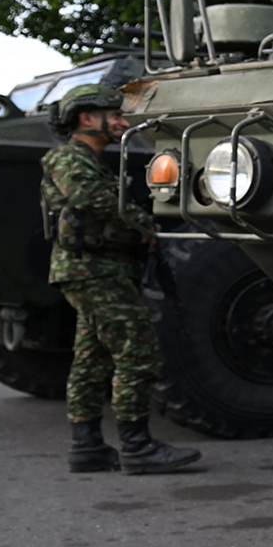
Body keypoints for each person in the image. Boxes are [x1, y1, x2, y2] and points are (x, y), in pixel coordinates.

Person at [41, 84, 201, 475]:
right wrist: (142, 223)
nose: (123, 123)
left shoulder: (89, 160)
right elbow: (88, 198)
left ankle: (87, 447)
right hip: (94, 270)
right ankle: (137, 446)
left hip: (96, 269)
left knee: (91, 359)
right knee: (137, 351)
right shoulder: (68, 159)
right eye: (114, 116)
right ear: (86, 118)